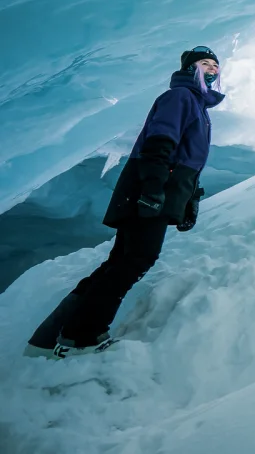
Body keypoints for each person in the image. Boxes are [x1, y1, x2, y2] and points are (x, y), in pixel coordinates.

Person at [24, 46, 225, 359]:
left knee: (121, 262)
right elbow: (162, 139)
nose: (211, 68)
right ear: (190, 68)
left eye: (215, 64)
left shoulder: (200, 107)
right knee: (135, 260)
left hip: (158, 189)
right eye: (204, 63)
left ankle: (50, 338)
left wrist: (189, 200)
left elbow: (189, 160)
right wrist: (153, 187)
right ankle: (82, 338)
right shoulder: (180, 97)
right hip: (147, 188)